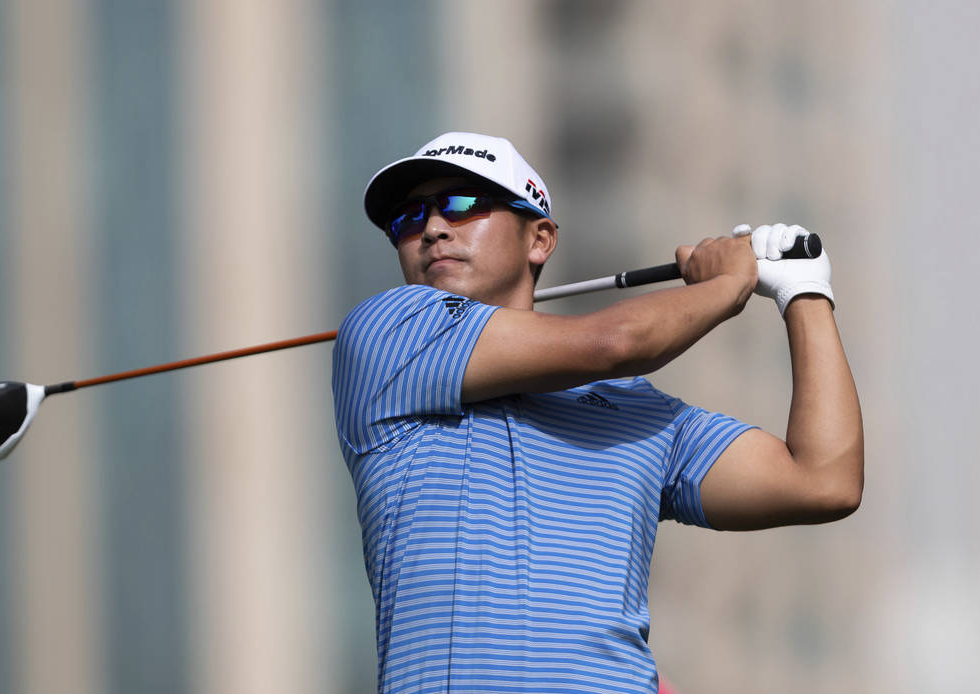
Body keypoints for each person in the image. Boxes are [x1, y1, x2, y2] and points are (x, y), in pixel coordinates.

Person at [331, 132, 863, 694]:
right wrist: (731, 282)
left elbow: (822, 480)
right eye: (409, 219)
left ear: (539, 239)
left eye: (464, 204)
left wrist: (805, 295)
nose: (433, 228)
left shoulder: (638, 409)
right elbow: (613, 343)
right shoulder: (387, 332)